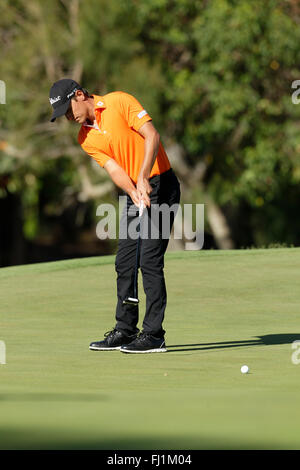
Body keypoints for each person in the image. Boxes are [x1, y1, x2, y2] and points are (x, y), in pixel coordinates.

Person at [49, 78, 180, 353]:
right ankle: (125, 330)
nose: (68, 118)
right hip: (133, 190)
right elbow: (113, 169)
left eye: (68, 110)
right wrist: (133, 190)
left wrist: (143, 177)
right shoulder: (85, 138)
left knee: (150, 260)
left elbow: (152, 136)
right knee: (125, 261)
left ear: (81, 95)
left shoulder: (119, 101)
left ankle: (154, 334)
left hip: (161, 184)